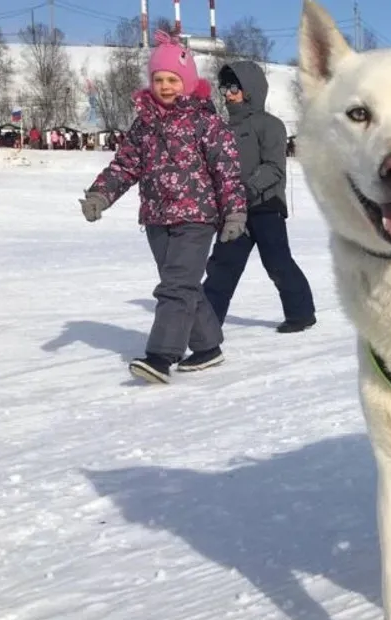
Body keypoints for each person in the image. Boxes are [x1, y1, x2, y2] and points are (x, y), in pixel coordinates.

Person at [79, 29, 246, 384]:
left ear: (187, 82)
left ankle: (161, 355)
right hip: (157, 218)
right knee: (183, 285)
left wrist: (235, 211)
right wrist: (100, 195)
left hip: (197, 217)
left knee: (175, 286)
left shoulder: (206, 122)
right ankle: (207, 347)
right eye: (159, 79)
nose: (166, 85)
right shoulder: (144, 124)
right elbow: (125, 165)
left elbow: (227, 169)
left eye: (173, 79)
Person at [203, 60, 317, 333]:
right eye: (225, 88)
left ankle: (301, 313)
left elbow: (274, 167)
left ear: (250, 89)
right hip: (234, 211)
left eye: (234, 87)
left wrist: (244, 190)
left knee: (277, 262)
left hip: (265, 207)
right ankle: (204, 326)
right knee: (222, 265)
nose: (228, 93)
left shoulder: (270, 125)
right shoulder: (222, 128)